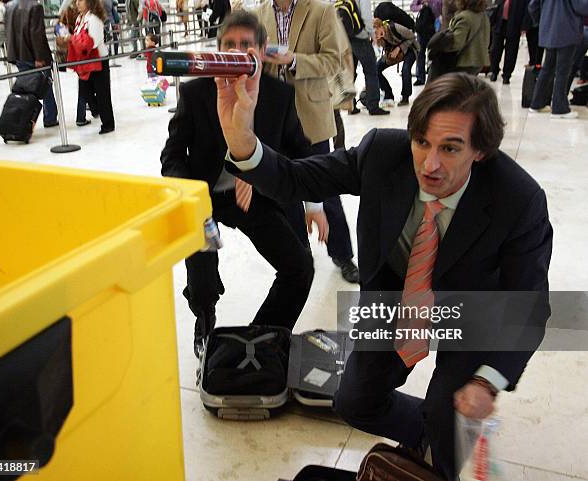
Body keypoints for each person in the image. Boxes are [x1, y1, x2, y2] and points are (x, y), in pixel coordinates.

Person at [216, 69, 553, 481]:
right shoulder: (381, 152)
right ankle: (429, 429)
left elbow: (530, 307)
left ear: (480, 150)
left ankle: (440, 444)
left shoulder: (519, 200)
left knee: (447, 440)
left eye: (450, 148)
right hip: (396, 296)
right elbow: (297, 178)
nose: (429, 164)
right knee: (354, 401)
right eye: (422, 142)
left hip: (470, 311)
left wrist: (486, 383)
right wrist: (243, 144)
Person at [160, 10, 317, 358]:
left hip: (254, 197)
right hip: (205, 197)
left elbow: (300, 153)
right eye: (228, 45)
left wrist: (312, 201)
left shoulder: (278, 95)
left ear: (262, 52)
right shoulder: (196, 92)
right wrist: (192, 200)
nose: (235, 53)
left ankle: (262, 337)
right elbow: (172, 155)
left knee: (300, 268)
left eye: (246, 45)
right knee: (200, 276)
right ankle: (205, 323)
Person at [255, 0, 360, 284]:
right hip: (276, 118)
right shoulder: (259, 14)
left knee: (324, 187)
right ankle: (298, 256)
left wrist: (294, 60)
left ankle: (342, 254)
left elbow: (334, 59)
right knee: (284, 191)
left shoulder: (321, 11)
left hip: (311, 115)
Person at [528, 0, 588, 119]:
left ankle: (536, 103)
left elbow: (532, 6)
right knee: (563, 71)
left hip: (549, 29)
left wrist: (542, 20)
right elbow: (581, 6)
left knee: (548, 68)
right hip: (567, 29)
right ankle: (559, 108)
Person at [5, 0, 59, 127]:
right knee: (46, 86)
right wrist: (39, 57)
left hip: (18, 54)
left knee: (24, 88)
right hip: (34, 56)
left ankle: (21, 121)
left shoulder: (10, 6)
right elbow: (37, 33)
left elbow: (9, 32)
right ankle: (50, 117)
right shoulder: (35, 6)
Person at [72, 0, 115, 134]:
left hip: (98, 60)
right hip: (85, 61)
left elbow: (94, 42)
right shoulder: (80, 19)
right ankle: (97, 110)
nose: (77, 3)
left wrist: (74, 40)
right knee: (85, 89)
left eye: (81, 0)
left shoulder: (94, 19)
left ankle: (108, 123)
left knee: (103, 94)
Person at [349, 0, 389, 115]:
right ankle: (373, 106)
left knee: (350, 72)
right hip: (360, 37)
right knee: (371, 70)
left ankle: (350, 105)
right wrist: (372, 35)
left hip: (345, 36)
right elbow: (366, 16)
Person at [374, 18, 420, 106]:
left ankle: (405, 97)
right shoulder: (379, 38)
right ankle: (388, 95)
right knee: (376, 68)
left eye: (375, 32)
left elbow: (412, 37)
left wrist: (399, 48)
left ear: (380, 27)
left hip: (410, 50)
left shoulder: (395, 28)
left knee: (405, 70)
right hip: (394, 53)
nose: (375, 35)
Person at [489, 0, 530, 84]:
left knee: (511, 51)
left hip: (515, 24)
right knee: (495, 49)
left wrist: (524, 26)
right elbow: (496, 6)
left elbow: (527, 10)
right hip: (499, 23)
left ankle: (507, 75)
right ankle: (494, 71)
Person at [411, 0, 443, 86]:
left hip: (434, 29)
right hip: (421, 31)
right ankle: (420, 78)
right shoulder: (419, 1)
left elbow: (439, 10)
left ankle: (434, 76)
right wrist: (421, 6)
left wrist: (430, 3)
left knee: (434, 53)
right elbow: (412, 7)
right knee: (420, 54)